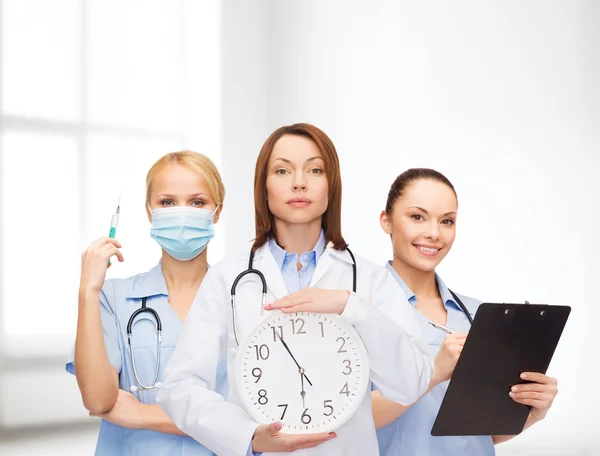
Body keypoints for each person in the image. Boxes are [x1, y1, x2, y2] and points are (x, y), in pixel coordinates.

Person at [157, 123, 434, 456]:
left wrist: (351, 306)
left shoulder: (370, 280)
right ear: (264, 187)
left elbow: (412, 382)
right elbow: (179, 385)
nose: (299, 182)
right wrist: (246, 436)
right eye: (282, 170)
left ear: (332, 186)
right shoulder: (228, 278)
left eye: (315, 169)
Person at [372, 168, 559, 455]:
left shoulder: (478, 316)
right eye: (417, 217)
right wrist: (433, 373)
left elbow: (479, 434)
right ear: (386, 221)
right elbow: (352, 422)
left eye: (447, 221)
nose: (434, 233)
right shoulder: (361, 309)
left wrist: (533, 411)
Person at [66, 151, 227, 455]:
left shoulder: (240, 300)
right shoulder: (114, 298)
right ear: (149, 212)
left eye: (197, 202)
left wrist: (138, 413)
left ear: (216, 212)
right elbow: (99, 400)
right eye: (167, 202)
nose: (182, 213)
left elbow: (249, 420)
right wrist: (88, 290)